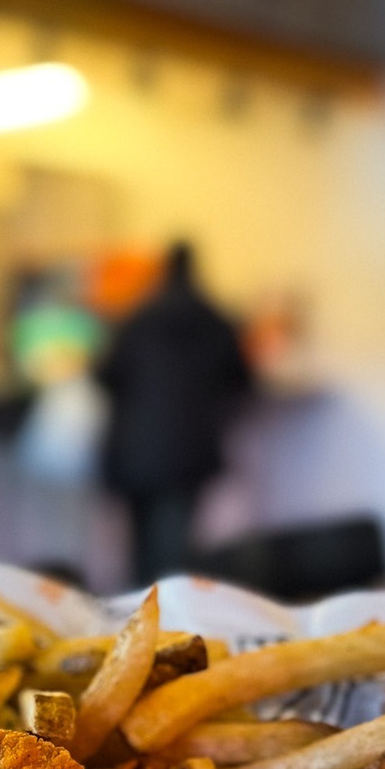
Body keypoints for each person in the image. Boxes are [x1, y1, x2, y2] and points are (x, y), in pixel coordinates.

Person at [97, 241, 251, 585]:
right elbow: (241, 382)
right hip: (191, 450)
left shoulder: (135, 317)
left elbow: (105, 376)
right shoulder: (216, 320)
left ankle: (138, 609)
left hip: (133, 448)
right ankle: (169, 611)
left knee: (138, 548)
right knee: (174, 552)